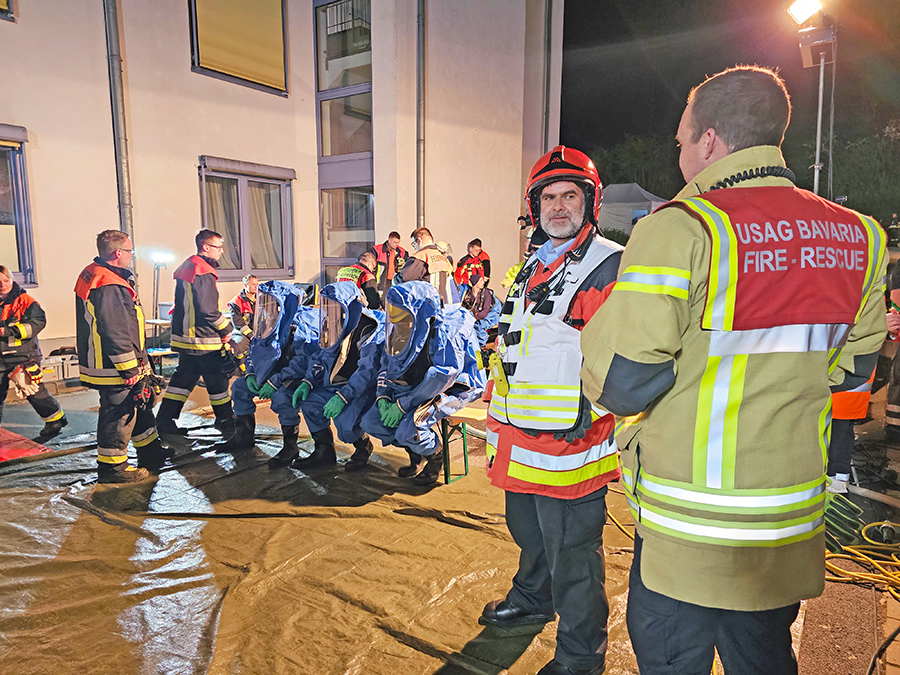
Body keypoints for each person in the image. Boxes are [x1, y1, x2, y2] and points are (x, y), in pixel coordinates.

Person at [580, 65, 887, 675]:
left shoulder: (681, 229)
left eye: (681, 141)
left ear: (710, 141)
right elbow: (853, 375)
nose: (681, 155)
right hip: (785, 527)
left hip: (686, 530)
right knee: (764, 660)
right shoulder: (860, 238)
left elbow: (622, 380)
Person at [481, 146, 622, 675]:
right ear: (534, 206)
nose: (558, 207)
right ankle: (533, 597)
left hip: (571, 445)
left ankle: (582, 657)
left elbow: (617, 360)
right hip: (521, 437)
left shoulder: (606, 265)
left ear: (590, 203)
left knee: (575, 559)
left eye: (569, 196)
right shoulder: (534, 264)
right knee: (530, 534)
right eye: (548, 197)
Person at [360, 281, 485, 485]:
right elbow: (387, 362)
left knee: (411, 429)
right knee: (371, 422)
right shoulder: (404, 326)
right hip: (416, 386)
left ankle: (437, 456)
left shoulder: (445, 334)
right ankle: (416, 455)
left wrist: (402, 405)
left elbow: (443, 376)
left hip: (455, 387)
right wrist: (382, 396)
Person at [75, 230, 171, 483]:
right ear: (118, 253)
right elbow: (115, 330)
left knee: (140, 404)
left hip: (115, 361)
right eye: (130, 251)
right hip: (114, 366)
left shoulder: (94, 273)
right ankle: (113, 468)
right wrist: (130, 370)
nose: (131, 255)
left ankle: (150, 452)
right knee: (119, 413)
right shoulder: (108, 284)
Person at [218, 281, 319, 458]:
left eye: (271, 302)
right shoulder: (268, 322)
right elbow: (255, 350)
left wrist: (275, 381)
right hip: (272, 374)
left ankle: (290, 447)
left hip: (293, 377)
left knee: (282, 399)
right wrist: (250, 373)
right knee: (240, 388)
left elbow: (302, 362)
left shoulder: (301, 325)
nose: (266, 307)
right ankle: (244, 436)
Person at [291, 281, 385, 471]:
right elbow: (321, 355)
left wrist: (343, 397)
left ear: (349, 305)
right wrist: (308, 381)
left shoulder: (368, 328)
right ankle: (323, 451)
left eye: (335, 305)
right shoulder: (334, 323)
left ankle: (363, 446)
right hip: (335, 385)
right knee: (309, 402)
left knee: (347, 429)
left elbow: (367, 371)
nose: (329, 310)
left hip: (359, 390)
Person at [156, 230, 235, 437]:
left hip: (186, 337)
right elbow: (208, 310)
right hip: (203, 340)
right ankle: (226, 421)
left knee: (182, 380)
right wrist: (226, 329)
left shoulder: (189, 266)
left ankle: (164, 420)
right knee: (217, 381)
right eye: (218, 247)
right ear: (205, 247)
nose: (222, 251)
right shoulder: (203, 271)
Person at [0, 265, 67, 440]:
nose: (2, 284)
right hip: (0, 357)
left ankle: (56, 420)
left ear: (12, 280)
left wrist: (10, 332)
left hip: (23, 355)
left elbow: (39, 322)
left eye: (6, 280)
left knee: (33, 391)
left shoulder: (24, 300)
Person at [394, 227, 455, 304]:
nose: (414, 248)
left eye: (414, 244)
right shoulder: (443, 259)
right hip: (443, 305)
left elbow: (404, 279)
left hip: (426, 305)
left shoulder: (420, 257)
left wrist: (394, 279)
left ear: (419, 241)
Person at [460, 273, 500, 348]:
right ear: (475, 283)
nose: (483, 282)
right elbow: (464, 307)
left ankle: (481, 346)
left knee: (479, 326)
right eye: (481, 280)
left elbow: (486, 310)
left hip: (490, 315)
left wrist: (475, 318)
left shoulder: (486, 293)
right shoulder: (468, 294)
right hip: (476, 315)